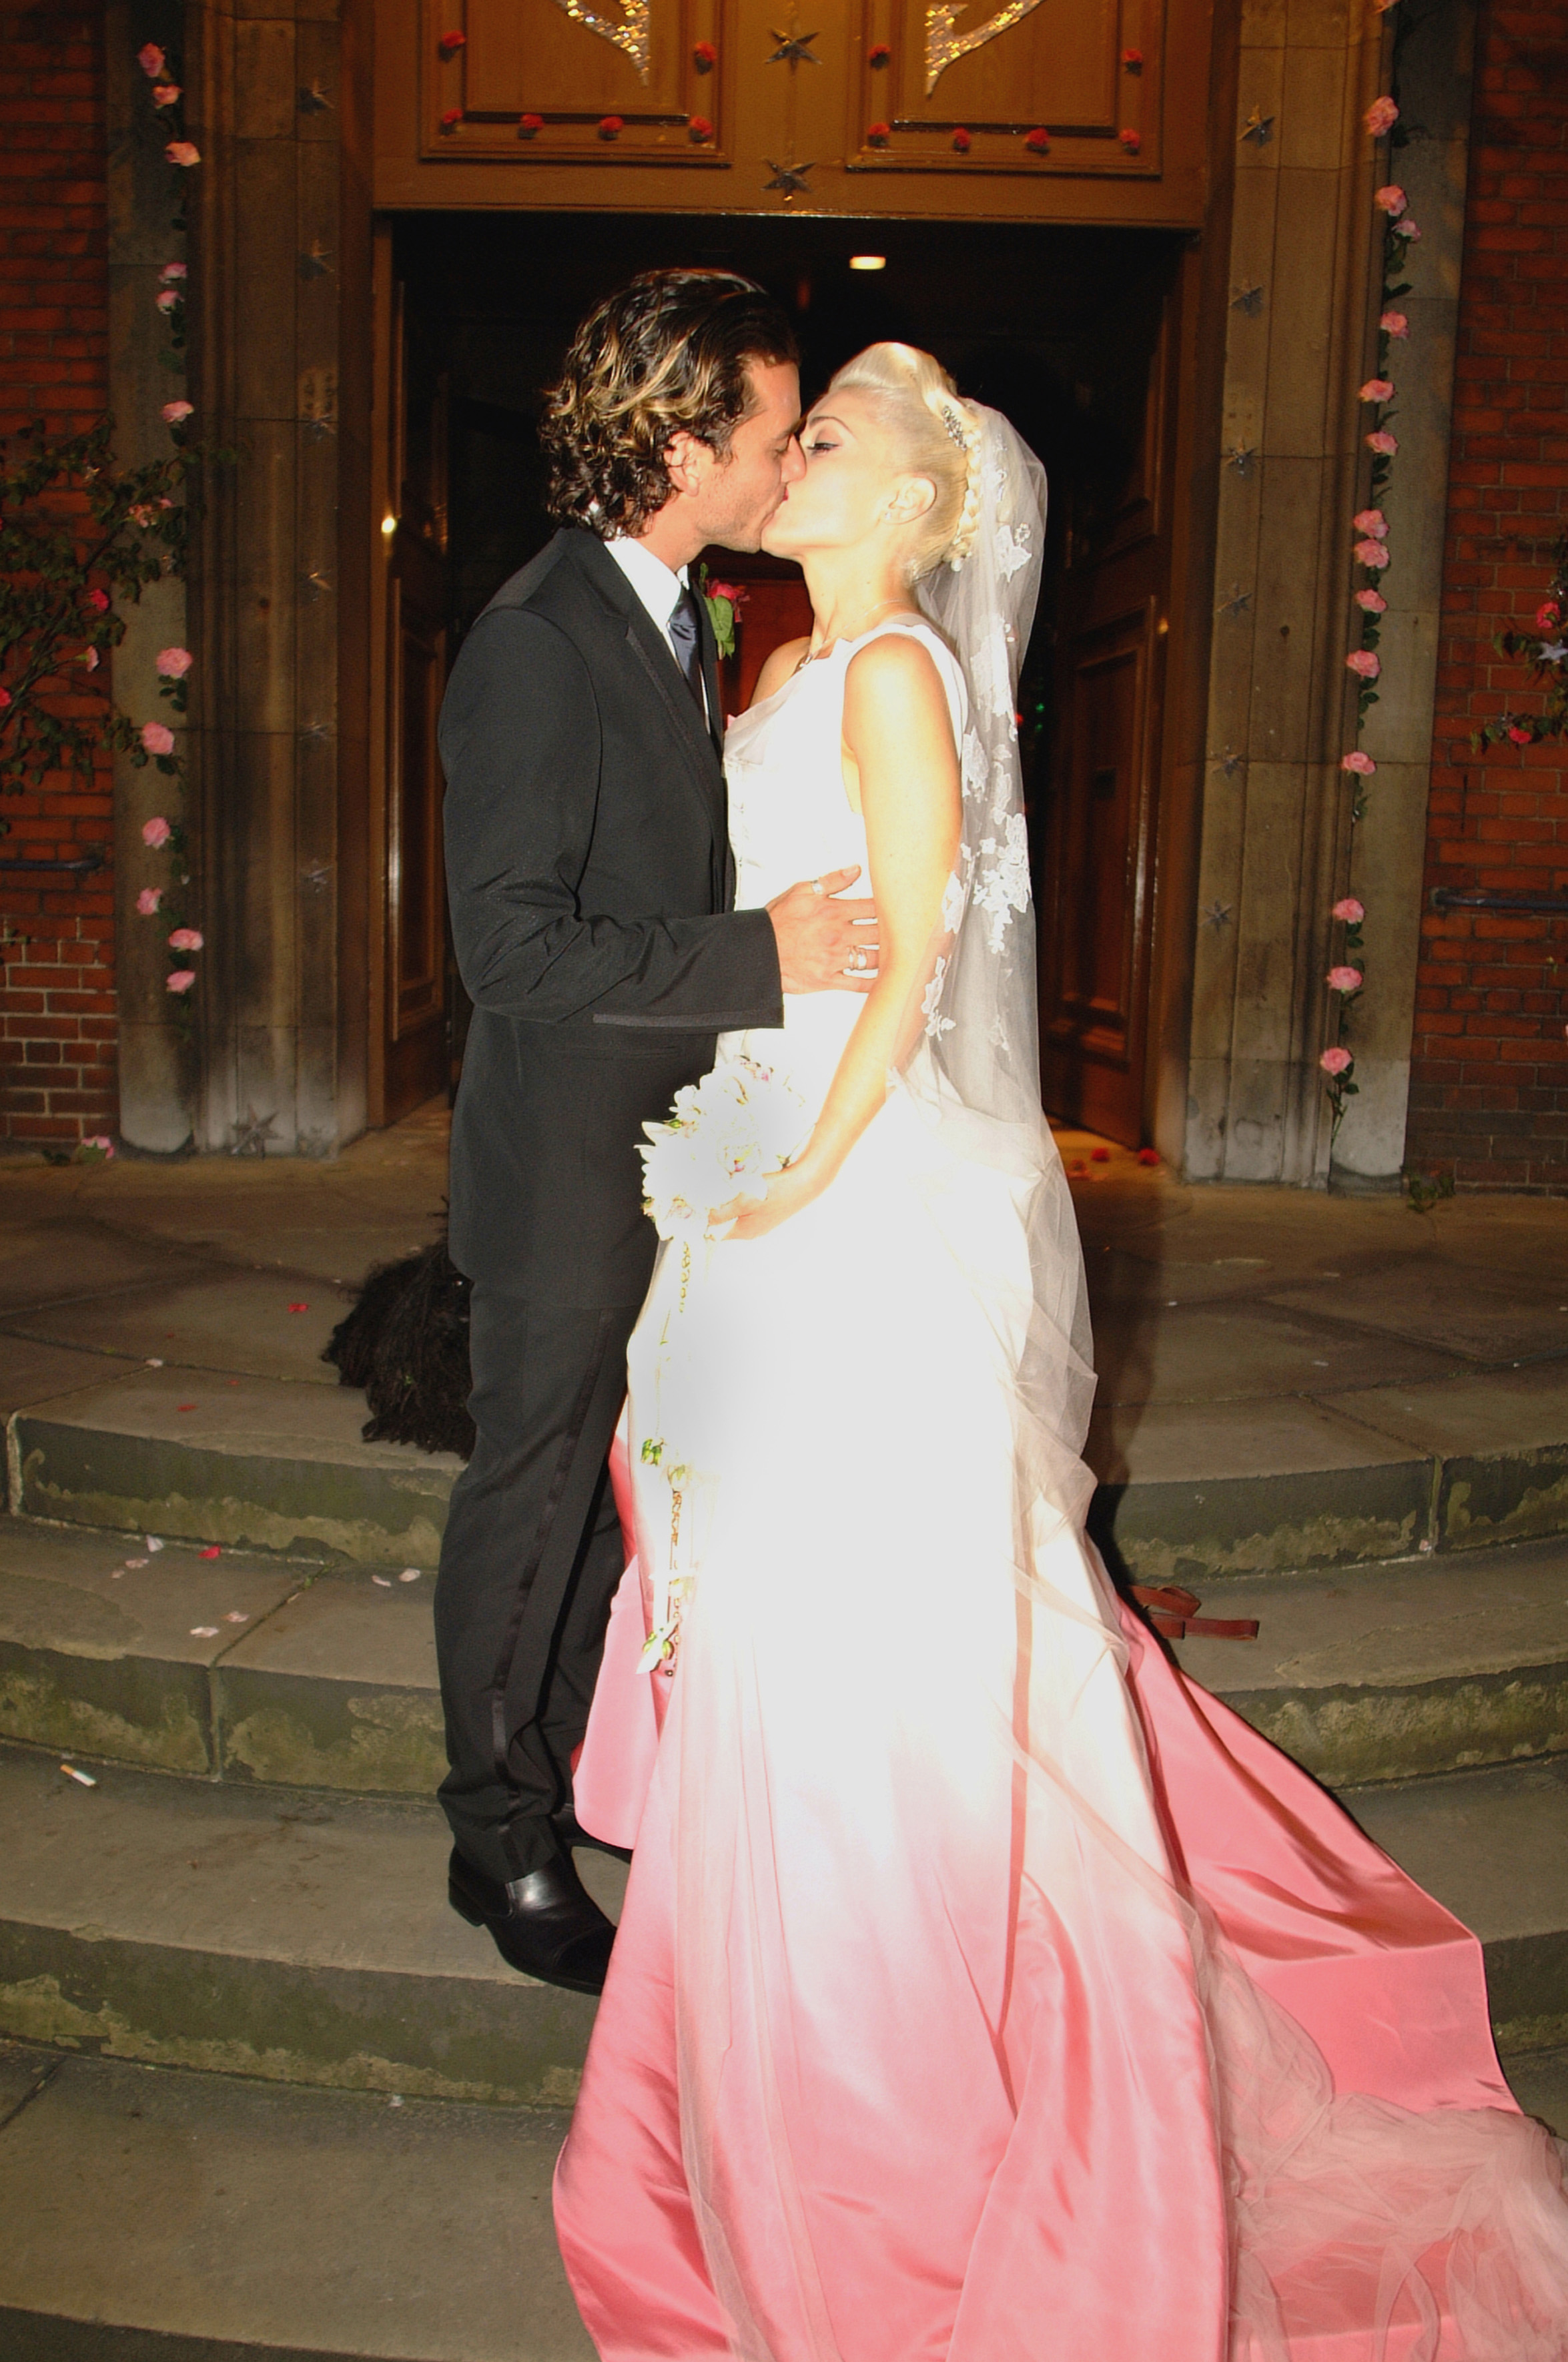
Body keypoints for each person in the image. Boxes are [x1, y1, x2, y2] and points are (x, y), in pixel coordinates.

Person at [552, 343, 1568, 2357]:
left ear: (917, 498)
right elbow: (758, 939)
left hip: (843, 1198)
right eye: (796, 429)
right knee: (759, 1647)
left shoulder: (903, 672)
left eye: (824, 436)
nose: (790, 455)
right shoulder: (762, 679)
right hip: (743, 1192)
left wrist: (792, 1172)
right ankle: (775, 2075)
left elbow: (915, 958)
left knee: (881, 1668)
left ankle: (917, 2113)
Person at [435, 270, 880, 1998]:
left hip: (656, 1155)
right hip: (561, 1175)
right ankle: (497, 1833)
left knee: (603, 1515)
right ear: (685, 443)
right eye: (772, 435)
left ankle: (542, 1777)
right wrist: (766, 955)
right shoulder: (540, 641)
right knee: (530, 1502)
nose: (788, 466)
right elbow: (514, 948)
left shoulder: (673, 611)